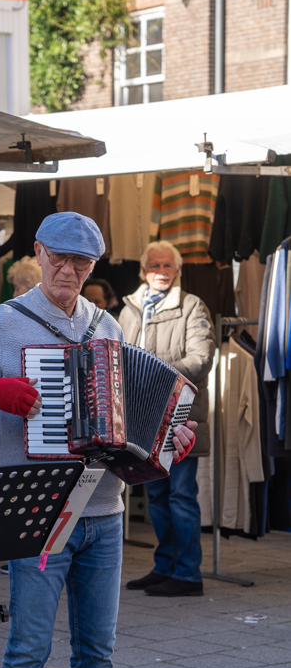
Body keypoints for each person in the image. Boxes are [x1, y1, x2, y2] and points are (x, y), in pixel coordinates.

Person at [0, 212, 196, 668]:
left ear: (95, 266)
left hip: (105, 511)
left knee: (98, 650)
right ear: (38, 252)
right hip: (38, 515)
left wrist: (172, 438)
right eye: (59, 258)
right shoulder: (0, 321)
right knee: (27, 652)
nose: (68, 271)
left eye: (82, 263)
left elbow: (136, 415)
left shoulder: (106, 325)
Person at [119, 240, 215, 597]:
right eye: (154, 265)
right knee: (157, 494)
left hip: (181, 418)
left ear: (178, 271)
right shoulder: (128, 309)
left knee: (181, 496)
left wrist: (161, 378)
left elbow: (201, 358)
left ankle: (188, 573)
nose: (160, 271)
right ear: (144, 270)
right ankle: (165, 566)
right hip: (143, 419)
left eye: (168, 266)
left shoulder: (192, 306)